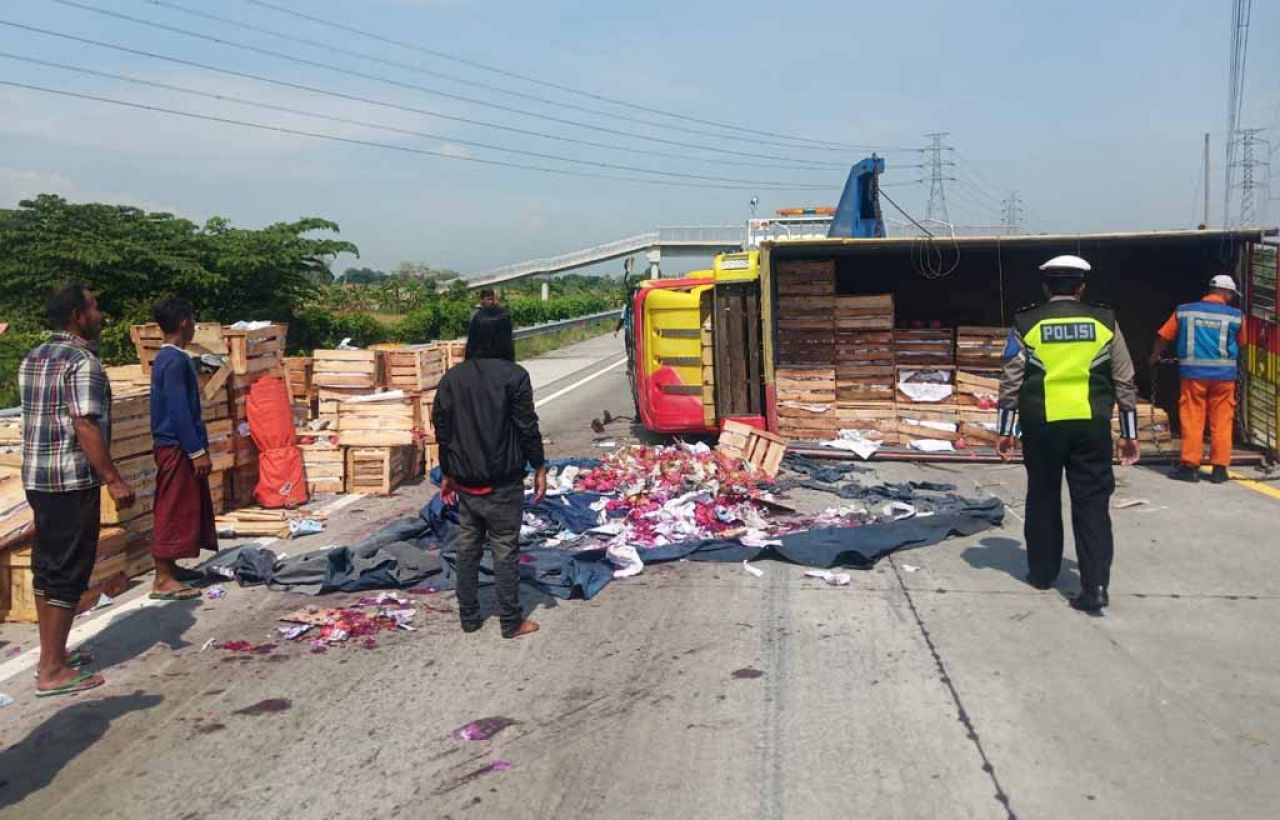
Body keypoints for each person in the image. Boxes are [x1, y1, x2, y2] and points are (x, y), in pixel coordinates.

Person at [996, 255, 1141, 614]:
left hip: (1042, 425)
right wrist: (1129, 432)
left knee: (1043, 497)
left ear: (1046, 287)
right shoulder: (1105, 321)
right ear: (1082, 287)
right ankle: (1096, 586)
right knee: (1092, 504)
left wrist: (1004, 430)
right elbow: (1124, 378)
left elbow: (1011, 377)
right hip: (1090, 425)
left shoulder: (1027, 322)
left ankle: (1043, 574)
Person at [19, 284, 135, 696]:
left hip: (38, 478)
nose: (100, 314)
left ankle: (52, 654)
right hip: (70, 480)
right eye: (94, 307)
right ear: (76, 316)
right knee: (68, 571)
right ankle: (51, 670)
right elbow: (84, 424)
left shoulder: (34, 356)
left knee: (48, 566)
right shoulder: (83, 362)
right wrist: (114, 479)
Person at [433, 306, 546, 639]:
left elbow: (442, 430)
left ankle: (469, 617)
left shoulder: (452, 378)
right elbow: (527, 427)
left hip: (466, 482)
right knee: (504, 549)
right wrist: (539, 466)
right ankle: (510, 621)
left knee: (467, 549)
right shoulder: (515, 376)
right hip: (503, 482)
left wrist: (448, 472)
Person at [148, 298, 218, 600]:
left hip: (175, 445)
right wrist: (196, 451)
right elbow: (179, 412)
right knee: (172, 508)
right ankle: (162, 578)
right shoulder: (175, 361)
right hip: (175, 447)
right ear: (183, 322)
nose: (194, 327)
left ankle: (172, 568)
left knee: (183, 506)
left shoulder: (167, 358)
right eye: (193, 320)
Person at [1149, 274, 1244, 484]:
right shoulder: (1236, 316)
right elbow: (1242, 343)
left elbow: (1164, 336)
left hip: (1193, 375)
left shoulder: (1184, 311)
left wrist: (1155, 356)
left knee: (1192, 419)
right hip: (1224, 377)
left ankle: (1190, 467)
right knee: (1222, 421)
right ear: (1227, 293)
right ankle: (1220, 470)